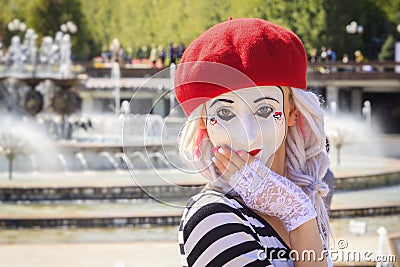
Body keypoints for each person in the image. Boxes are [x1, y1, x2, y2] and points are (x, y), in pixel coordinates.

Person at [175, 18, 333, 266]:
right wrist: (298, 215)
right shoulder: (212, 218)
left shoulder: (301, 200)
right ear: (204, 123)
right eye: (226, 114)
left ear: (293, 111)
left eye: (265, 111)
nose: (248, 136)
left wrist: (297, 211)